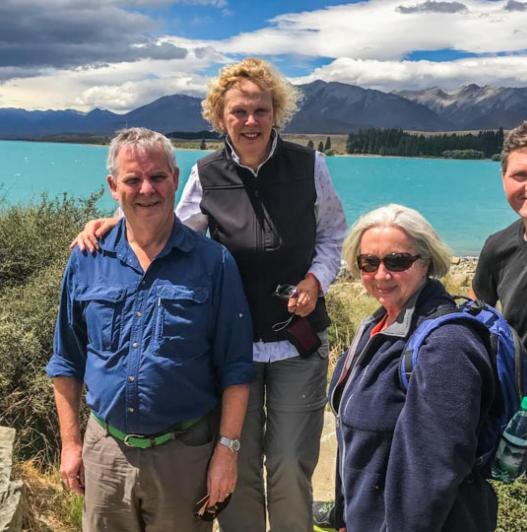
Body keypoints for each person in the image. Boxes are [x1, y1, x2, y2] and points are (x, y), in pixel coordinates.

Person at [74, 58, 346, 532]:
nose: (250, 121)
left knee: (287, 463)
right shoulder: (205, 173)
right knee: (236, 469)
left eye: (261, 110)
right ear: (220, 117)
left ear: (275, 113)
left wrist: (315, 281)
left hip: (295, 341)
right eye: (238, 112)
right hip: (230, 348)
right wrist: (117, 222)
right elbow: (167, 224)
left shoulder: (309, 165)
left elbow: (332, 236)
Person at [47, 127, 255, 531]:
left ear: (176, 180)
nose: (147, 189)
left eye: (158, 177)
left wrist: (226, 452)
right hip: (105, 453)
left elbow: (236, 368)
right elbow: (65, 359)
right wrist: (71, 444)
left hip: (184, 457)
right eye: (132, 179)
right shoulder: (87, 259)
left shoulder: (214, 263)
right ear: (113, 186)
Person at [330, 203, 497, 532]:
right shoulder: (376, 327)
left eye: (397, 261)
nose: (381, 275)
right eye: (369, 262)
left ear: (426, 263)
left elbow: (432, 472)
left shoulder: (447, 346)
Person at [472, 120, 527, 486]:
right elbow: (480, 317)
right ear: (503, 179)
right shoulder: (499, 246)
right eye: (520, 174)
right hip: (521, 415)